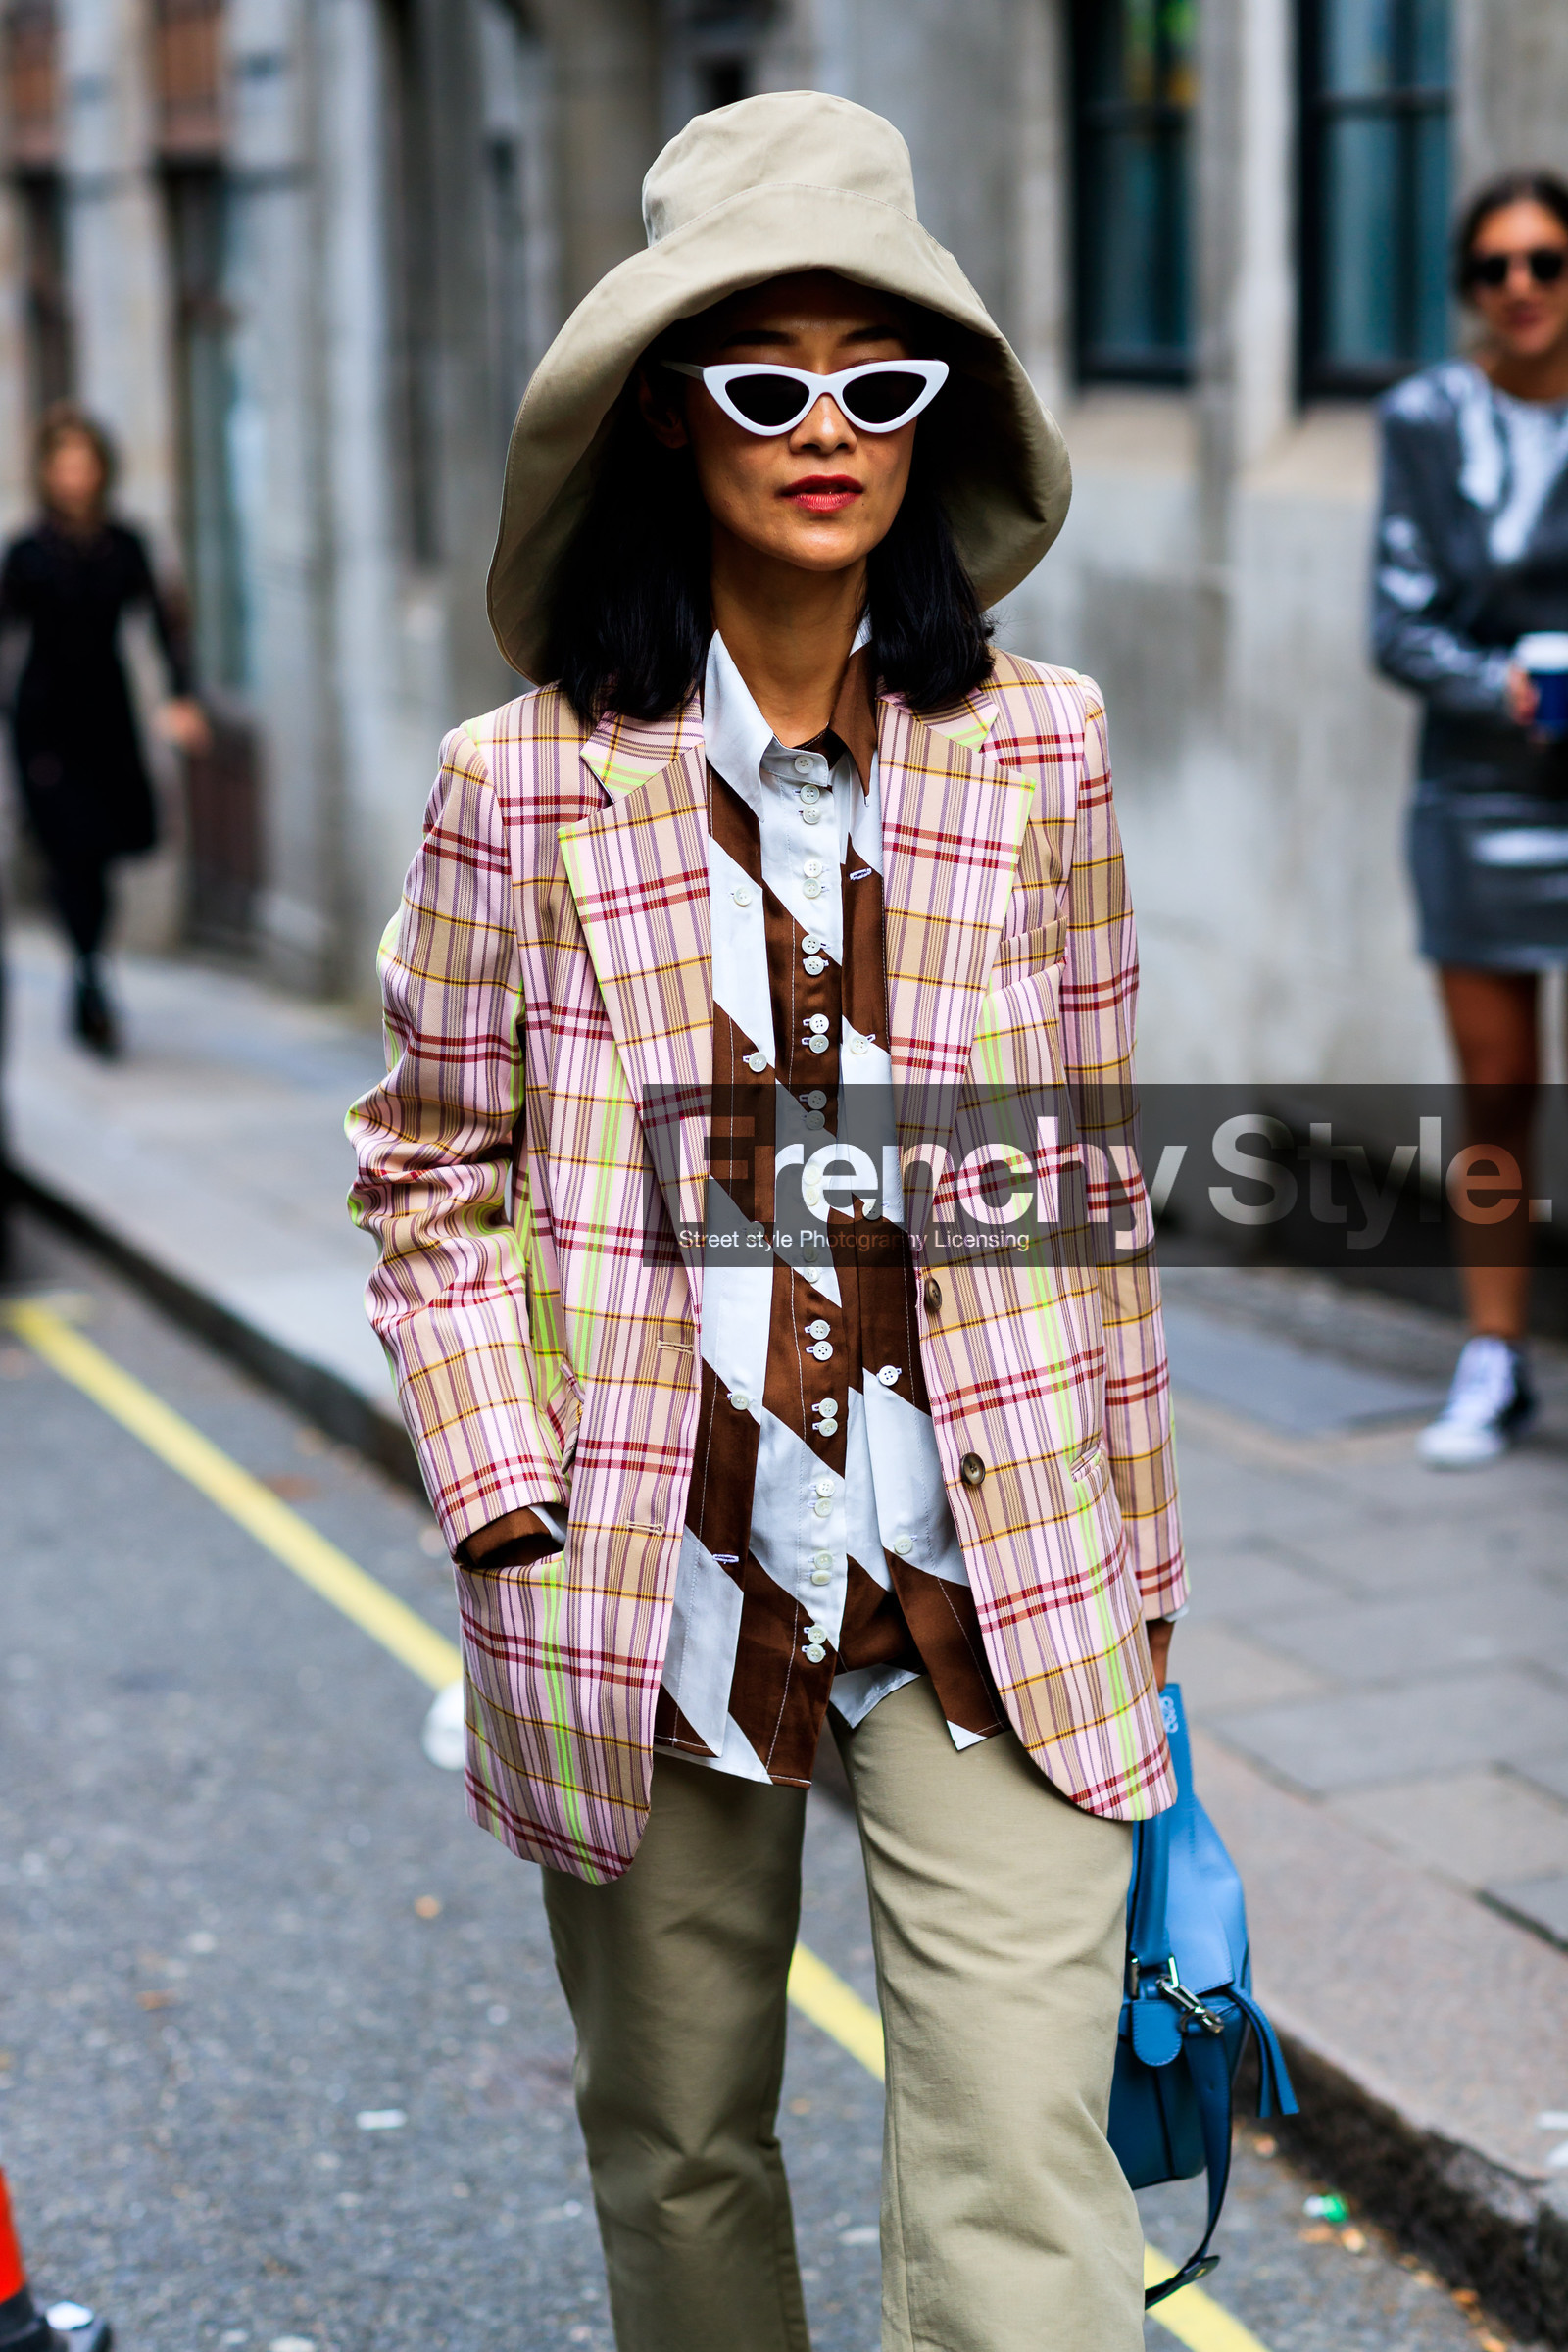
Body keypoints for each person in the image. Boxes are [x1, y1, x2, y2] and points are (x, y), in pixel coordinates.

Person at [349, 93, 1186, 2352]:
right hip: (650, 1582)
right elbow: (426, 1166)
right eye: (764, 378)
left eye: (878, 381)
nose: (827, 430)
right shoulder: (518, 782)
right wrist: (507, 1492)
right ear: (664, 411)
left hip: (982, 1577)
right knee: (683, 2148)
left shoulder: (1044, 750)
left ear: (933, 419)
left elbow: (1086, 1184)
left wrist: (1139, 1588)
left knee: (1022, 2180)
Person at [1374, 172, 1568, 1467]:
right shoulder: (1426, 418)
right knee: (1496, 1090)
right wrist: (1500, 687)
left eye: (1545, 261)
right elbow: (1394, 622)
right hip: (1479, 787)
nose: (1521, 287)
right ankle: (1493, 1355)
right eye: (1495, 266)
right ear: (1467, 287)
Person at [1, 404, 208, 1056]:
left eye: (83, 464)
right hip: (44, 721)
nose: (74, 477)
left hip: (107, 716)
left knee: (101, 851)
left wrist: (180, 695)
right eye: (63, 465)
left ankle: (89, 967)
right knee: (68, 850)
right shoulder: (27, 552)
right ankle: (88, 974)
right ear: (46, 473)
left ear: (101, 470)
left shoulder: (126, 544)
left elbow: (165, 622)